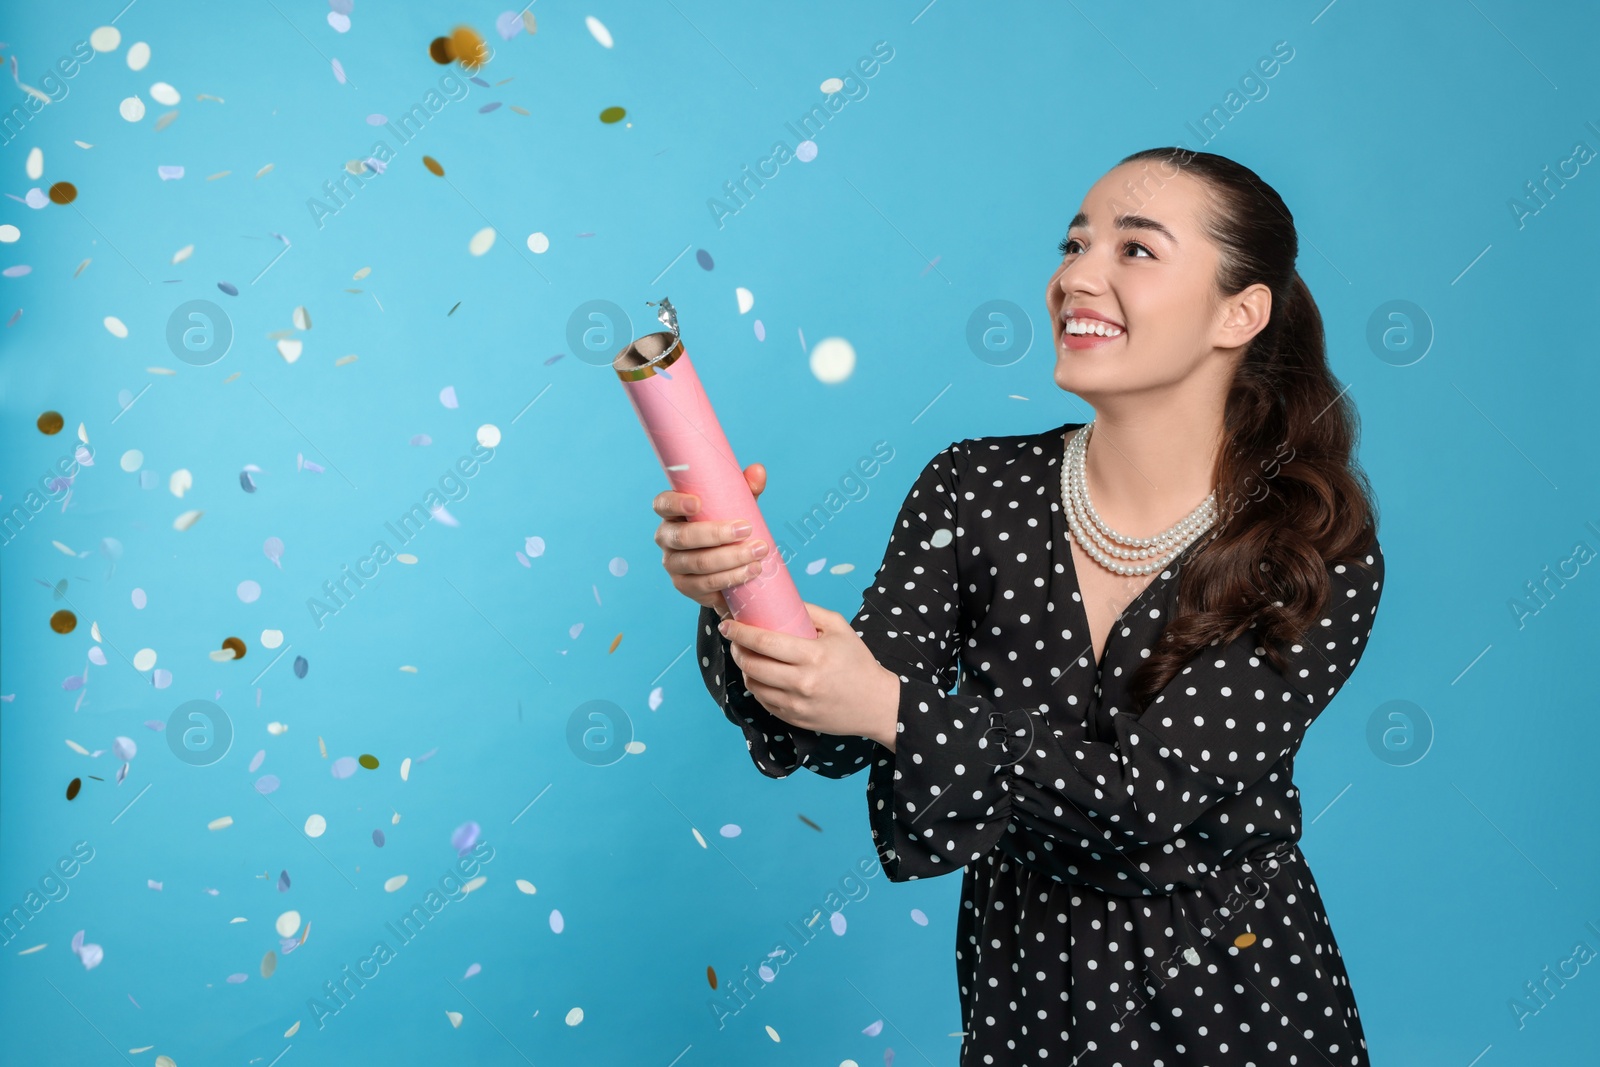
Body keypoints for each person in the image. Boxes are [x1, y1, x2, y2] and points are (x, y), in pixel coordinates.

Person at [654, 147, 1383, 1066]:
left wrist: (887, 706)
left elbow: (1143, 798)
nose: (1077, 274)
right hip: (1027, 993)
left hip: (1234, 996)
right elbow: (841, 730)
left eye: (1136, 250)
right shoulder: (976, 488)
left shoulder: (1309, 548)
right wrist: (736, 584)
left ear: (1239, 312)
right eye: (1075, 244)